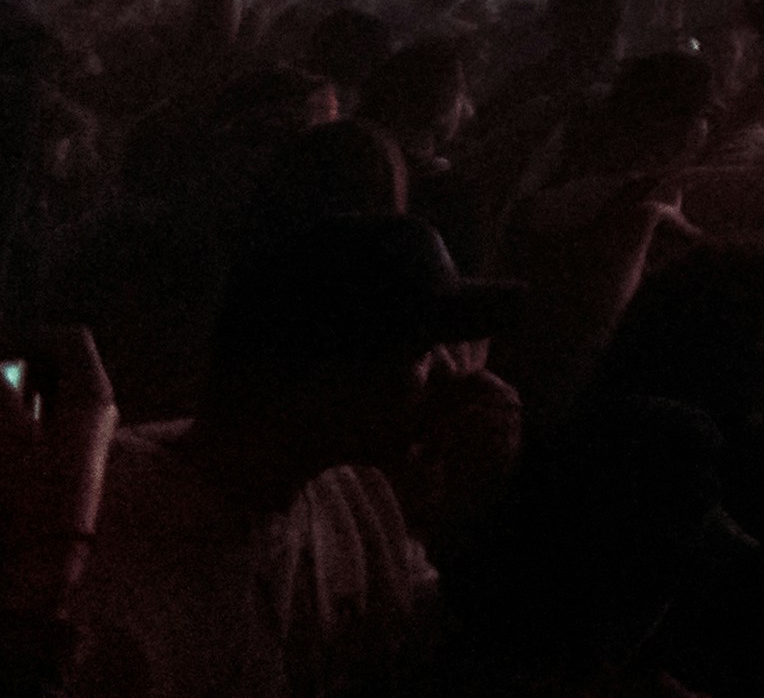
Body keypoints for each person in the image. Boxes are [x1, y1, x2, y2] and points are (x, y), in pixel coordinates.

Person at [63, 214, 513, 698]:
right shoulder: (111, 564)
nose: (453, 377)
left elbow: (422, 644)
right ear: (331, 378)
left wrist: (471, 506)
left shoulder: (350, 493)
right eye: (423, 352)